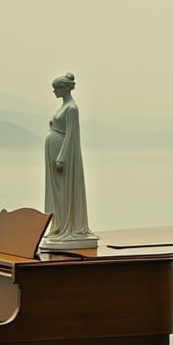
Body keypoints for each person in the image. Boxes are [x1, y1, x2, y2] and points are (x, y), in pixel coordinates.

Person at [43, 73, 97, 246]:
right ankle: (58, 225)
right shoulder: (64, 106)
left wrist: (62, 157)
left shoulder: (72, 108)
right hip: (54, 148)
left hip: (61, 152)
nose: (54, 91)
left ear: (65, 88)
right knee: (56, 192)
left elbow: (71, 135)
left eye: (56, 88)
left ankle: (68, 225)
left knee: (63, 191)